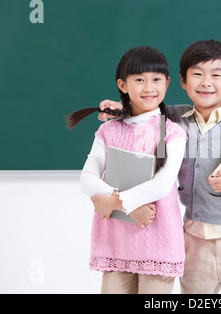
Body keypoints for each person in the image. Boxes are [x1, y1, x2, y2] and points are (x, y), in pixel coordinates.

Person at [98, 40, 221, 294]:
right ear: (182, 81)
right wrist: (120, 108)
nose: (206, 82)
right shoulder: (173, 117)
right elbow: (144, 108)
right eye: (197, 74)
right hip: (194, 237)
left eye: (216, 75)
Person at [71, 46, 187, 294]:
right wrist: (128, 206)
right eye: (139, 80)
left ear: (167, 83)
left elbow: (162, 185)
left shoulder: (173, 133)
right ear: (123, 85)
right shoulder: (108, 130)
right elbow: (87, 179)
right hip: (116, 242)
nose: (149, 87)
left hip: (158, 242)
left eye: (156, 79)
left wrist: (113, 201)